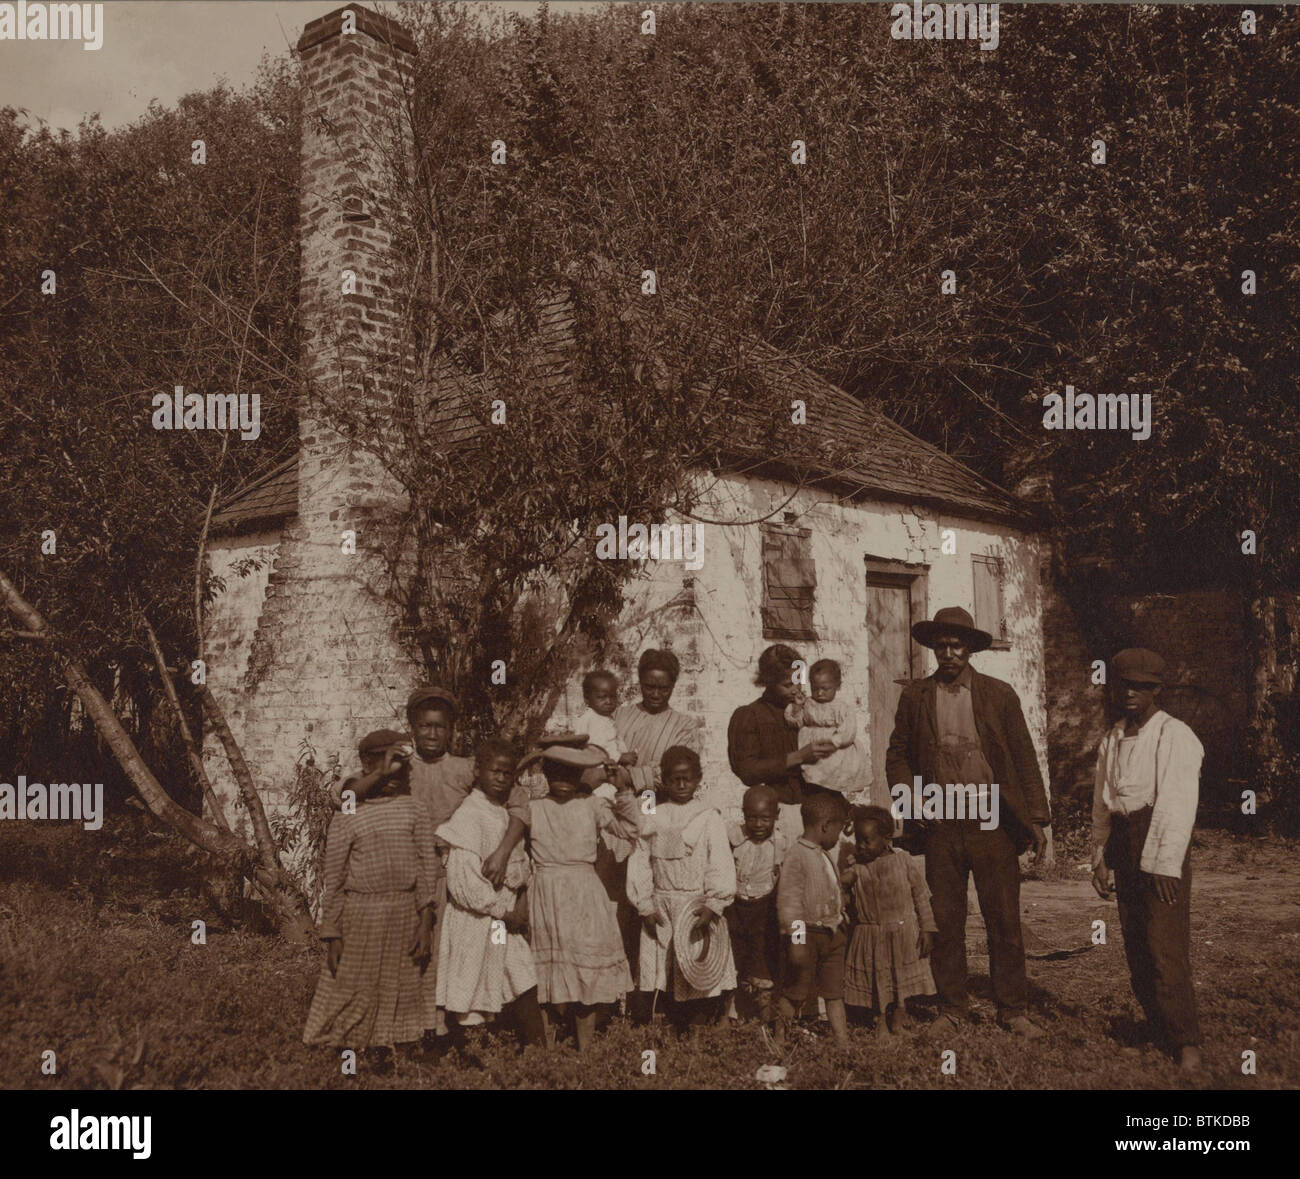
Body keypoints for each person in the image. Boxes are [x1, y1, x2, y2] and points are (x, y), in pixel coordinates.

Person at [885, 606, 1050, 1040]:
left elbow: (1023, 757)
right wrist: (910, 802)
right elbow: (897, 755)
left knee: (1004, 918)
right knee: (945, 920)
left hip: (991, 818)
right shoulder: (915, 696)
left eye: (957, 645)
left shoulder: (999, 694)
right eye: (941, 645)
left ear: (971, 648)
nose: (949, 652)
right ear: (933, 648)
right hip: (941, 819)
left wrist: (1037, 819)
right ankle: (952, 1008)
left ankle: (1012, 1009)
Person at [1091, 648, 1204, 1073]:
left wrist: (1163, 865)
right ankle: (1157, 1029)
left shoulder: (1174, 735)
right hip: (1124, 840)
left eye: (1143, 686)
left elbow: (1176, 804)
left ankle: (1186, 1039)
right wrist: (1099, 856)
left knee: (1164, 944)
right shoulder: (1113, 737)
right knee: (1137, 943)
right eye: (1125, 685)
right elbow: (1103, 802)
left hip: (1157, 842)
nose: (1132, 693)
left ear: (1158, 689)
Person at [303, 730, 438, 1073]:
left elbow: (427, 867)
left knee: (406, 988)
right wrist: (332, 933)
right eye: (384, 767)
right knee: (352, 988)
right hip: (361, 915)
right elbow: (333, 879)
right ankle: (347, 1065)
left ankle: (400, 1065)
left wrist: (425, 921)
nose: (394, 776)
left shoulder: (414, 810)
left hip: (406, 912)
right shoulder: (349, 812)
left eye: (400, 769)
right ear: (366, 766)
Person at [522, 741, 641, 1052]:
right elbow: (505, 801)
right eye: (555, 770)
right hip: (546, 893)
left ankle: (584, 1051)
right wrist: (528, 762)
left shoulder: (592, 805)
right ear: (545, 772)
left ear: (582, 775)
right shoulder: (533, 807)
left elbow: (631, 829)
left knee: (585, 971)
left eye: (571, 772)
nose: (563, 779)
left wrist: (623, 790)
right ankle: (547, 1049)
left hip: (585, 894)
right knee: (547, 974)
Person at [434, 738, 544, 1053]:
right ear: (479, 771)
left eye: (507, 773)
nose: (500, 778)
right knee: (473, 986)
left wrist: (519, 901)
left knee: (521, 977)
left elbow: (521, 865)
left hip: (503, 922)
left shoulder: (504, 812)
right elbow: (464, 881)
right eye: (495, 771)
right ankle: (476, 1063)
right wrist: (502, 910)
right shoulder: (469, 814)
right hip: (477, 920)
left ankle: (538, 1056)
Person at [626, 745, 737, 1036]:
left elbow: (720, 862)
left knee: (697, 969)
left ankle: (698, 1034)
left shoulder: (708, 816)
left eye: (687, 778)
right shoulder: (653, 814)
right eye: (674, 778)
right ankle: (668, 1030)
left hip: (695, 907)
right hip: (661, 906)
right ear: (663, 780)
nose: (681, 784)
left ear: (698, 779)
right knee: (664, 971)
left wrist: (714, 903)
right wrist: (645, 905)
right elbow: (640, 860)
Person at [841, 805, 937, 1038]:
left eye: (867, 841)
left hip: (902, 932)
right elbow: (840, 891)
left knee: (899, 981)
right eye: (858, 841)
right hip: (871, 934)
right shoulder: (858, 868)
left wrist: (927, 929)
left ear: (886, 839)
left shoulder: (903, 861)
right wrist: (845, 875)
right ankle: (880, 1020)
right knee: (878, 980)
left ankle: (899, 1018)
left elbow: (921, 897)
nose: (861, 846)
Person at [728, 643, 838, 841]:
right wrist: (798, 757)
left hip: (818, 810)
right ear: (767, 682)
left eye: (799, 682)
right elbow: (746, 770)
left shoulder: (810, 711)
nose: (796, 690)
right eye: (788, 685)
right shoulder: (751, 715)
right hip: (779, 815)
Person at [774, 790, 852, 1050]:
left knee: (833, 991)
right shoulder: (797, 855)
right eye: (838, 831)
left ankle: (842, 1041)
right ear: (825, 826)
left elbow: (829, 886)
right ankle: (780, 1037)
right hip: (806, 936)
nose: (838, 838)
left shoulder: (821, 852)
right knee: (796, 991)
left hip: (832, 934)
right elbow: (789, 903)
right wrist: (796, 943)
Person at [726, 784, 790, 1021]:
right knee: (733, 960)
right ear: (743, 814)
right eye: (752, 818)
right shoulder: (734, 838)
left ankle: (765, 1021)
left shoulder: (780, 844)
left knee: (762, 962)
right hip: (736, 906)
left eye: (765, 819)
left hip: (764, 910)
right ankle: (729, 1016)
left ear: (776, 816)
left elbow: (783, 876)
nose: (758, 825)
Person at [784, 658, 867, 794]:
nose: (820, 693)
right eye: (815, 688)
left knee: (832, 777)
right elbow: (797, 723)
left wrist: (835, 742)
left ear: (837, 686)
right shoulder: (808, 703)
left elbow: (848, 730)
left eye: (825, 688)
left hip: (833, 749)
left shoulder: (841, 708)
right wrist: (797, 707)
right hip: (811, 749)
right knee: (812, 779)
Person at [573, 670, 638, 768]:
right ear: (587, 698)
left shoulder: (605, 718)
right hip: (597, 769)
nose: (608, 701)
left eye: (612, 696)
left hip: (608, 766)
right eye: (601, 697)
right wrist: (619, 757)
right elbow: (595, 748)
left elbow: (614, 741)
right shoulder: (591, 719)